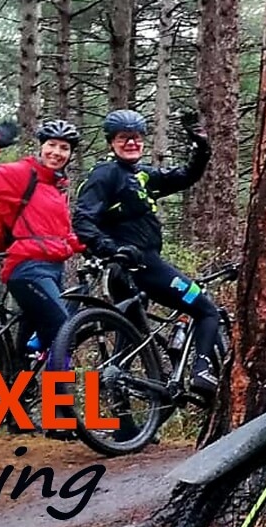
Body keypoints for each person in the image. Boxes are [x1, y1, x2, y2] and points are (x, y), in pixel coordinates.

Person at [72, 109, 222, 396]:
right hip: (141, 268)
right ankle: (202, 371)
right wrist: (112, 249)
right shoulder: (106, 174)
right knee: (206, 310)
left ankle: (124, 429)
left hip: (132, 270)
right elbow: (82, 220)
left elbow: (183, 176)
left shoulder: (140, 175)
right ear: (111, 142)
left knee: (129, 341)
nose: (132, 143)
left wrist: (201, 147)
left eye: (137, 138)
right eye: (124, 138)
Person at [0, 119, 86, 371]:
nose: (57, 152)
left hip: (52, 271)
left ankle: (16, 386)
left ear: (70, 154)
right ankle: (58, 407)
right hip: (29, 269)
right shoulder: (23, 173)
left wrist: (94, 246)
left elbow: (61, 235)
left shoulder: (55, 187)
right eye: (51, 145)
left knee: (33, 346)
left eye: (64, 148)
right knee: (64, 333)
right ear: (41, 147)